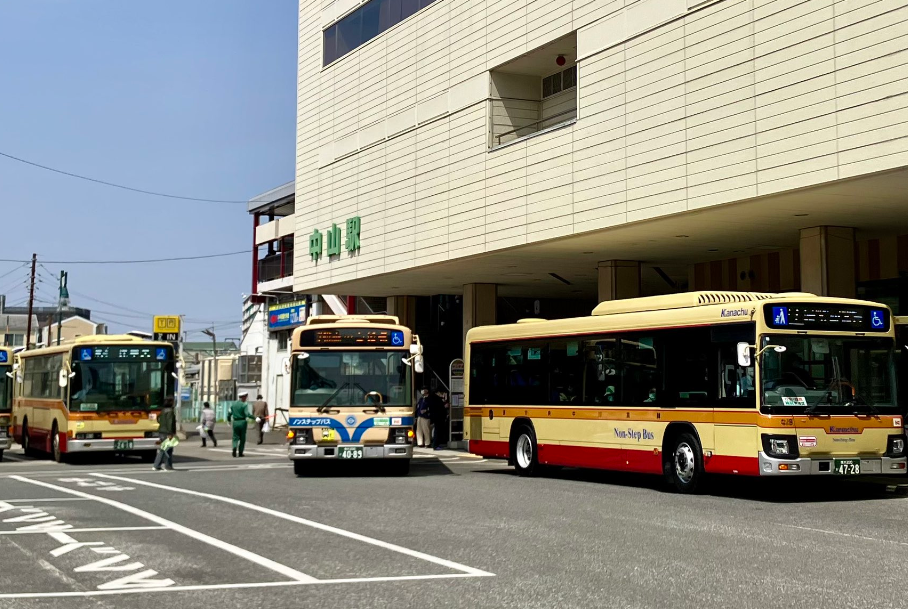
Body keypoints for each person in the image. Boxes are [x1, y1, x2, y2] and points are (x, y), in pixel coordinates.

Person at [153, 398, 177, 471]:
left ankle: (167, 465)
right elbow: (170, 423)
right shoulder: (170, 412)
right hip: (167, 432)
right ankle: (159, 465)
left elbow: (158, 419)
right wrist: (171, 433)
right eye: (173, 401)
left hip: (161, 431)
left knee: (167, 449)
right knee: (165, 450)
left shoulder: (162, 411)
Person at [227, 392, 252, 457]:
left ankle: (234, 448)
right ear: (243, 397)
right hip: (242, 422)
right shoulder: (244, 405)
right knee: (242, 438)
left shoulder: (233, 404)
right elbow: (247, 414)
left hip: (235, 422)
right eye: (246, 397)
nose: (246, 399)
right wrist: (255, 418)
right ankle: (240, 452)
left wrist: (229, 420)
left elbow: (229, 413)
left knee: (235, 437)